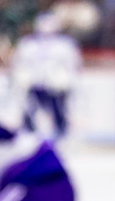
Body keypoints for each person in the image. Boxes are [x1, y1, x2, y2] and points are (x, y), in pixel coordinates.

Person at [11, 10, 85, 140]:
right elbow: (18, 64)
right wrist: (21, 77)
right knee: (28, 109)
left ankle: (61, 135)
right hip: (34, 85)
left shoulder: (65, 45)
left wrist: (66, 80)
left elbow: (74, 65)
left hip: (56, 87)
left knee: (59, 111)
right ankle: (29, 135)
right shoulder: (27, 44)